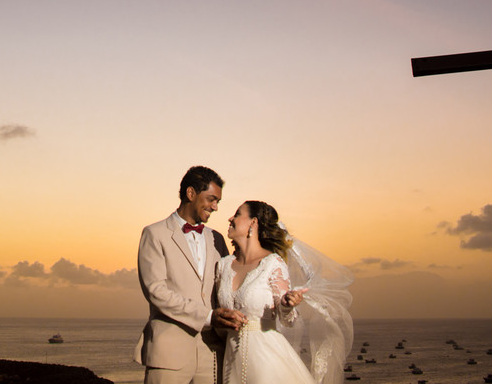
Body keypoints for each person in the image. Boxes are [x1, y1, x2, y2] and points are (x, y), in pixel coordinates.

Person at [215, 201, 353, 384]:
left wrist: (287, 305)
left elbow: (287, 320)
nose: (230, 218)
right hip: (231, 357)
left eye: (238, 214)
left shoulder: (273, 264)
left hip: (266, 358)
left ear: (253, 223)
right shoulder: (223, 265)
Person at [134, 165, 242, 384]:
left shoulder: (217, 239)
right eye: (211, 199)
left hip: (212, 353)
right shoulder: (154, 234)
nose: (215, 207)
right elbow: (156, 292)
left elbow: (229, 285)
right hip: (168, 353)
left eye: (218, 201)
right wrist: (208, 317)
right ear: (191, 193)